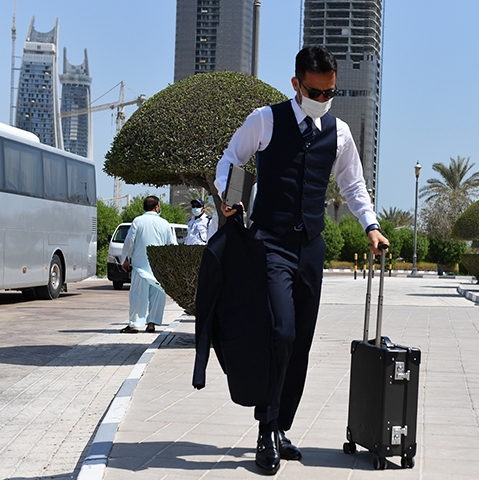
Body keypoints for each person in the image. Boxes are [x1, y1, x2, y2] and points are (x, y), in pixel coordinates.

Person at [214, 46, 388, 475]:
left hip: (310, 247)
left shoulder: (340, 132)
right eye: (316, 91)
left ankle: (280, 427)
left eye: (330, 92)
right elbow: (231, 158)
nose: (323, 100)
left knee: (302, 341)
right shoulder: (265, 119)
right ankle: (265, 426)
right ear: (296, 84)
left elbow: (352, 184)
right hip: (269, 243)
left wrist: (370, 226)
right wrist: (230, 200)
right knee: (281, 331)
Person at [120, 195, 176, 334]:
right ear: (157, 206)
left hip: (140, 266)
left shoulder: (138, 221)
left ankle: (134, 324)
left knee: (137, 296)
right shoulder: (165, 223)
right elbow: (172, 245)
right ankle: (151, 324)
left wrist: (124, 258)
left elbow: (129, 242)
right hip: (159, 267)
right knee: (157, 295)